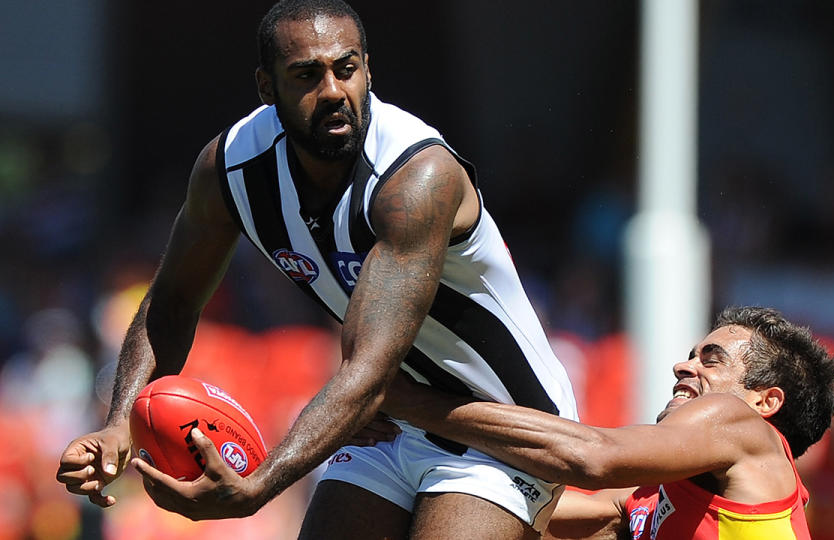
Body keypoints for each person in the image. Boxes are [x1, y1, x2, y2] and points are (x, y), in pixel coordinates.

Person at [54, 1, 577, 538]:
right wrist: (120, 424)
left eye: (346, 69)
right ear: (266, 86)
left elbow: (364, 373)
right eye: (306, 75)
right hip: (393, 419)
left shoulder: (415, 176)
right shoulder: (230, 169)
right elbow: (172, 303)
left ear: (368, 69)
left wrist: (257, 485)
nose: (332, 91)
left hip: (504, 421)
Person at [374, 306, 834, 539]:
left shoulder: (741, 424)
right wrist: (403, 446)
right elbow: (502, 505)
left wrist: (411, 403)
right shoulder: (645, 501)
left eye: (711, 359)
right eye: (688, 356)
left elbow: (592, 457)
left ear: (766, 402)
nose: (683, 368)